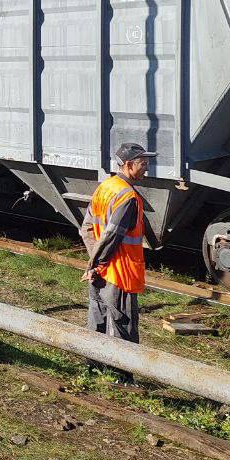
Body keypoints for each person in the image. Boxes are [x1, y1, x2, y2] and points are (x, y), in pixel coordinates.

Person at [80, 142, 155, 347]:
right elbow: (112, 236)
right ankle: (122, 377)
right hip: (120, 273)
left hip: (101, 271)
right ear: (129, 165)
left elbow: (86, 228)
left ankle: (94, 365)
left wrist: (94, 263)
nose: (147, 167)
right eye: (143, 163)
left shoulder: (105, 187)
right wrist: (96, 265)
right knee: (123, 326)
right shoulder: (128, 197)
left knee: (98, 318)